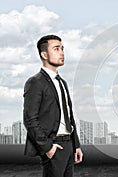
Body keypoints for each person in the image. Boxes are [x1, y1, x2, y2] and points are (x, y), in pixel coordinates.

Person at [23, 34, 83, 177]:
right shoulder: (35, 82)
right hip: (54, 145)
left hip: (69, 145)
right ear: (44, 54)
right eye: (56, 49)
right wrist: (47, 147)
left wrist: (76, 145)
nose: (62, 52)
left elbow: (69, 116)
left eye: (62, 49)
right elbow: (30, 119)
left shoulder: (62, 82)